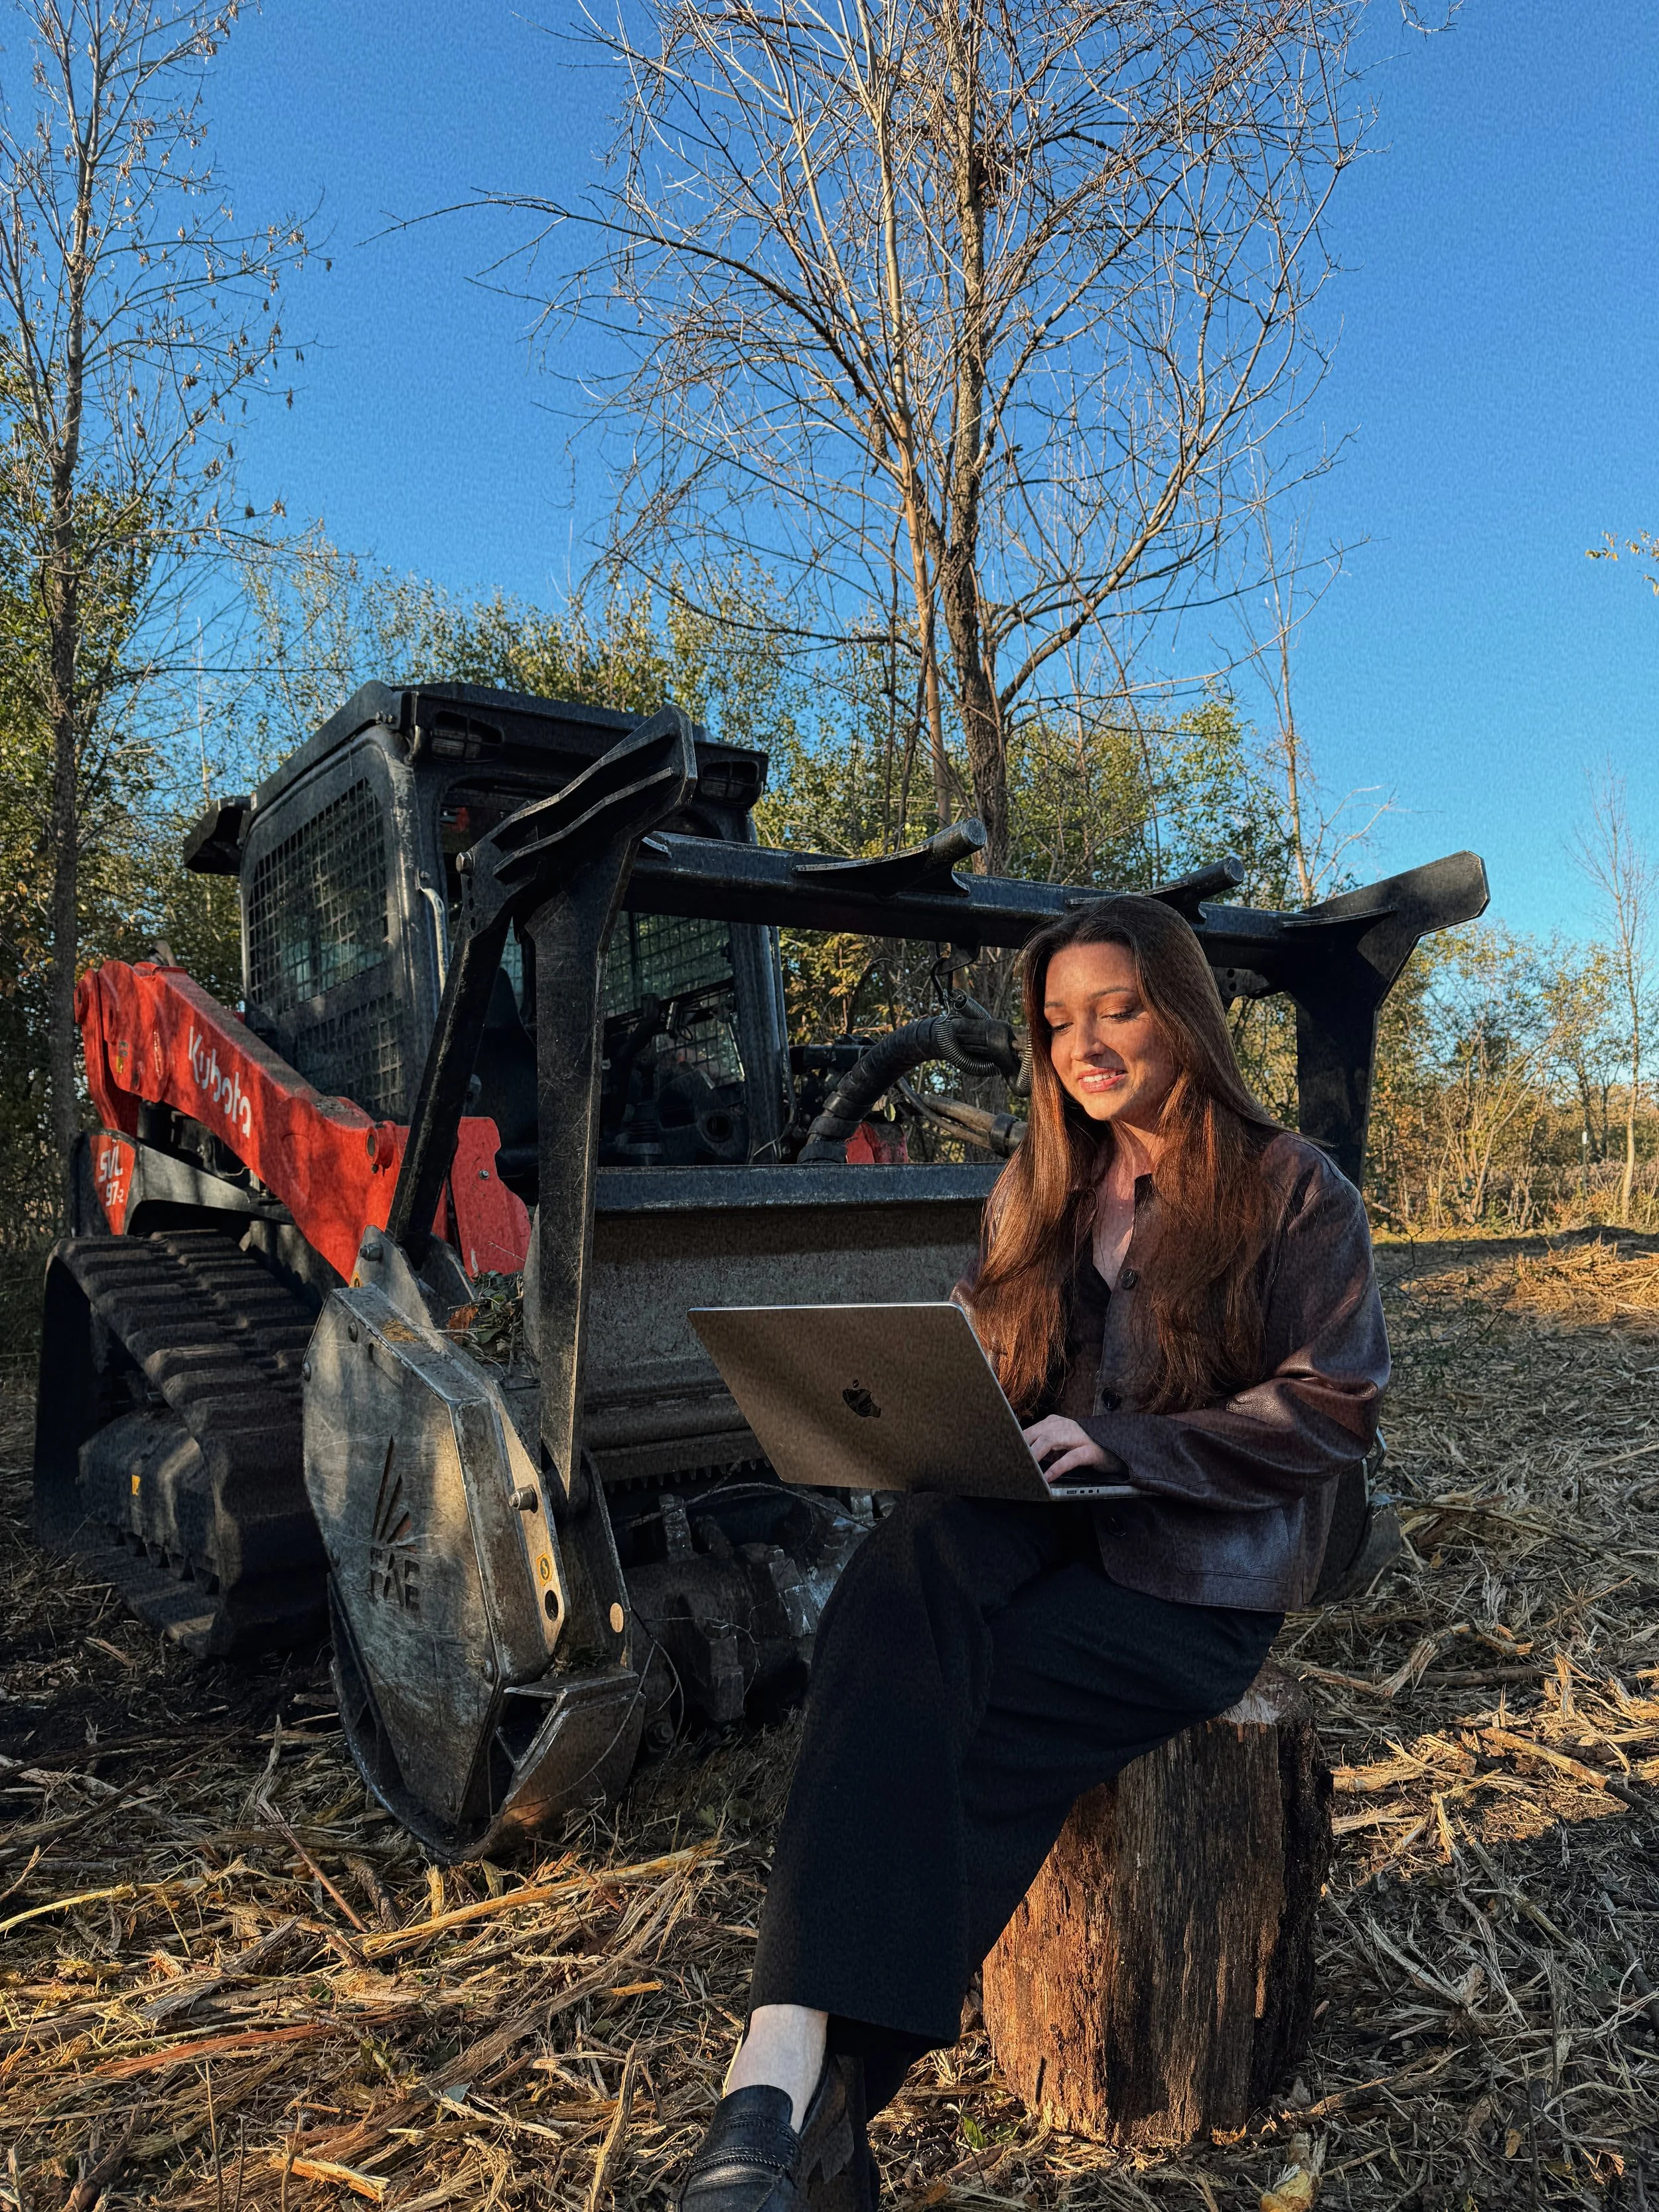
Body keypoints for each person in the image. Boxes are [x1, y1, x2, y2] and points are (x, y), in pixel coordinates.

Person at [677, 895, 1389, 2212]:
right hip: (1032, 1527)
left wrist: (1127, 1447)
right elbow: (989, 1360)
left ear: (1180, 1010)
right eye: (1059, 1020)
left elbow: (1330, 1406)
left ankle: (792, 2101)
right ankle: (787, 2074)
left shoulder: (1293, 1189)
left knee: (949, 1730)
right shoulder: (1041, 1188)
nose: (1085, 1043)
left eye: (1115, 1008)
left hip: (1189, 1579)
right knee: (903, 1573)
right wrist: (920, 1396)